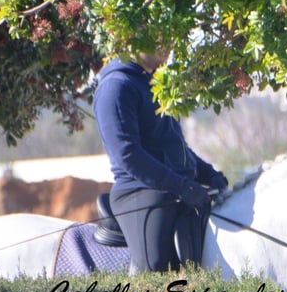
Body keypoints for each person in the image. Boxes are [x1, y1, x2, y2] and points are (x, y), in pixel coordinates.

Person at [93, 52, 228, 273]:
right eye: (159, 41)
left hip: (176, 188)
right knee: (156, 268)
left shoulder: (158, 85)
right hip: (140, 192)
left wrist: (209, 174)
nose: (167, 49)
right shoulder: (116, 86)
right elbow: (127, 154)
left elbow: (175, 148)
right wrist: (181, 186)